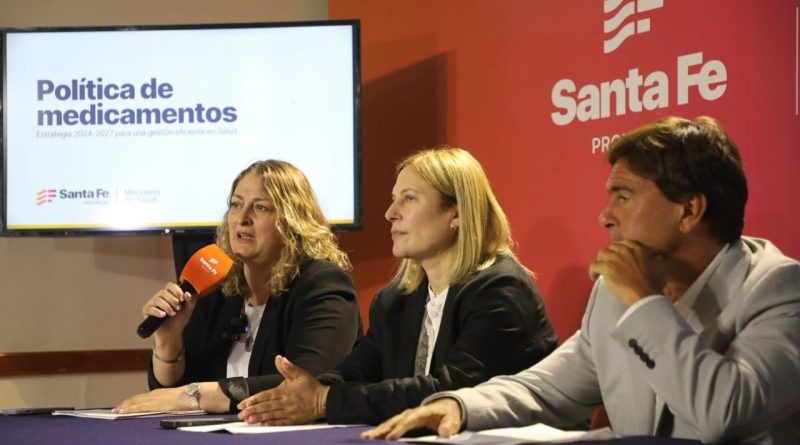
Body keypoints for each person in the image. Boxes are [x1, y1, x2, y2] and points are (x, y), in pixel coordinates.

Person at [363, 117, 800, 444]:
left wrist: (645, 302)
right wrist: (459, 404)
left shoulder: (779, 289)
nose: (606, 216)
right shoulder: (615, 292)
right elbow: (548, 388)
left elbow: (725, 412)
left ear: (689, 210)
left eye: (623, 196)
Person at [235, 147, 557, 426]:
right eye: (394, 200)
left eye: (409, 199)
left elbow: (451, 391)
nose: (391, 213)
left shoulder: (500, 291)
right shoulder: (395, 301)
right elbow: (355, 372)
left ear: (456, 214)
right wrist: (304, 390)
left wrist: (323, 400)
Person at [114, 160, 361, 413]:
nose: (242, 219)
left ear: (293, 222)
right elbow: (169, 393)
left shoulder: (322, 285)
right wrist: (168, 342)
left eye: (260, 207)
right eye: (236, 205)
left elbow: (307, 383)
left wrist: (196, 395)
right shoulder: (217, 288)